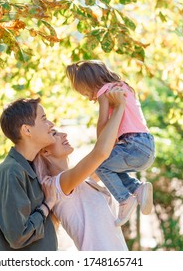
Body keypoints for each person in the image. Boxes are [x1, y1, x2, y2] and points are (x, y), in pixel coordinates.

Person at [34, 88, 129, 250]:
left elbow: (108, 147)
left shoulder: (82, 182)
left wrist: (104, 101)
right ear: (45, 151)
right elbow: (101, 152)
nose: (64, 134)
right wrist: (120, 106)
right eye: (54, 134)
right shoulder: (58, 185)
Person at [66, 60, 156, 226]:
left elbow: (102, 122)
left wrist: (100, 144)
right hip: (147, 146)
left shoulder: (104, 91)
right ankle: (137, 188)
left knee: (100, 165)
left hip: (132, 144)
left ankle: (124, 199)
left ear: (91, 82)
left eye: (85, 93)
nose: (88, 98)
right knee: (110, 167)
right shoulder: (123, 87)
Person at [0, 98, 58, 251]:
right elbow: (18, 236)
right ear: (27, 130)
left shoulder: (29, 167)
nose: (51, 124)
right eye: (44, 119)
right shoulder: (12, 171)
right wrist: (47, 204)